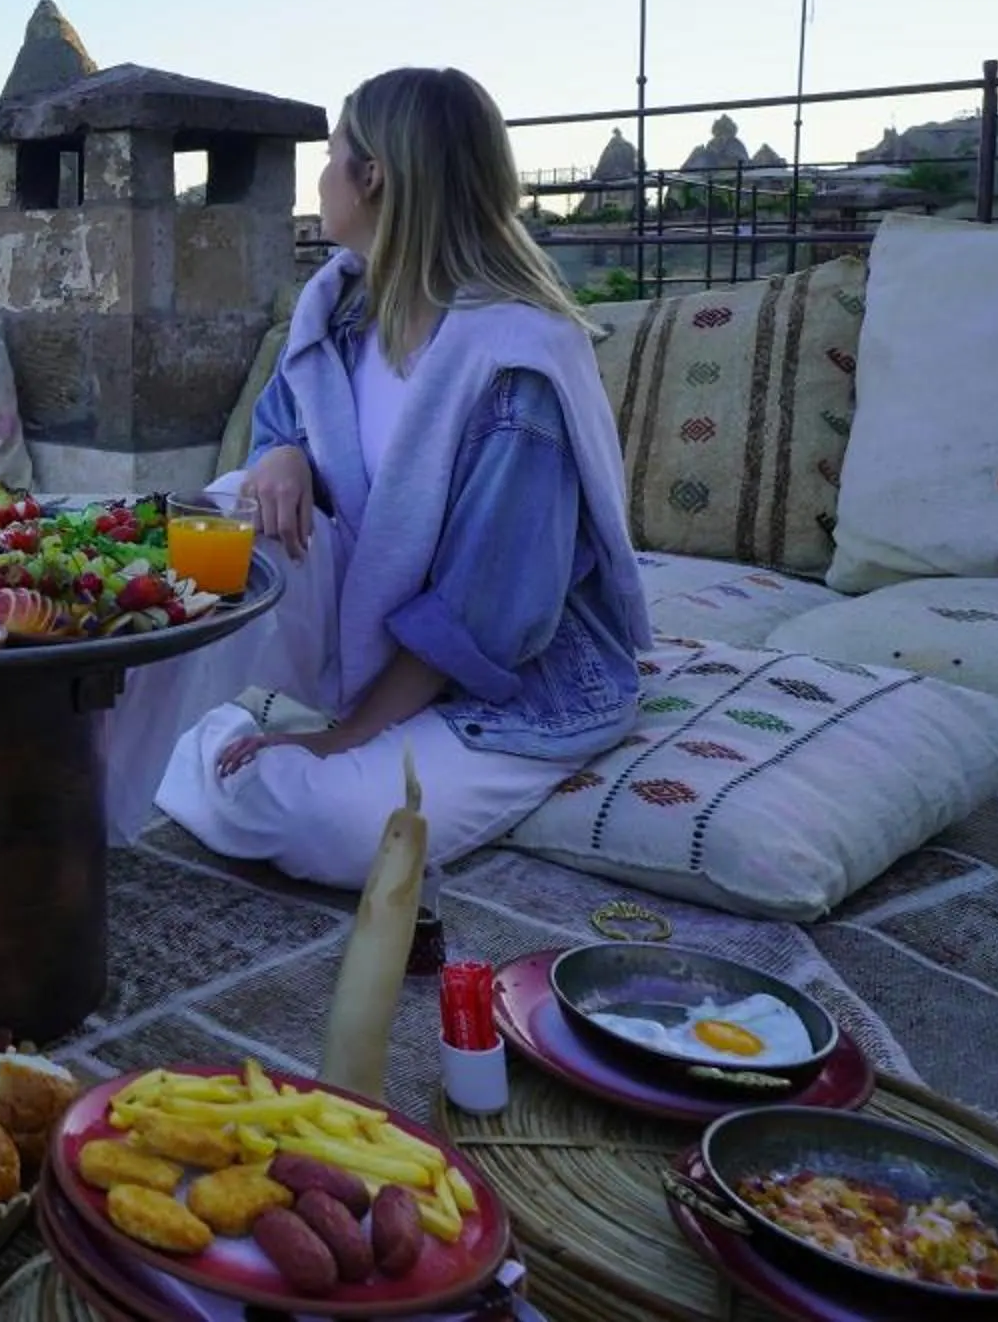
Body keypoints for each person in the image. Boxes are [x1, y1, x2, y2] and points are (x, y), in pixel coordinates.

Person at [96, 67, 649, 886]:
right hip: (370, 618)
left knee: (331, 823)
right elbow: (288, 418)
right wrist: (278, 452)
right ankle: (86, 773)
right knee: (211, 522)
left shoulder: (514, 366)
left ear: (375, 174)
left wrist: (339, 739)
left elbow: (485, 615)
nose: (319, 177)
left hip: (506, 681)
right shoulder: (347, 309)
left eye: (331, 155)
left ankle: (195, 752)